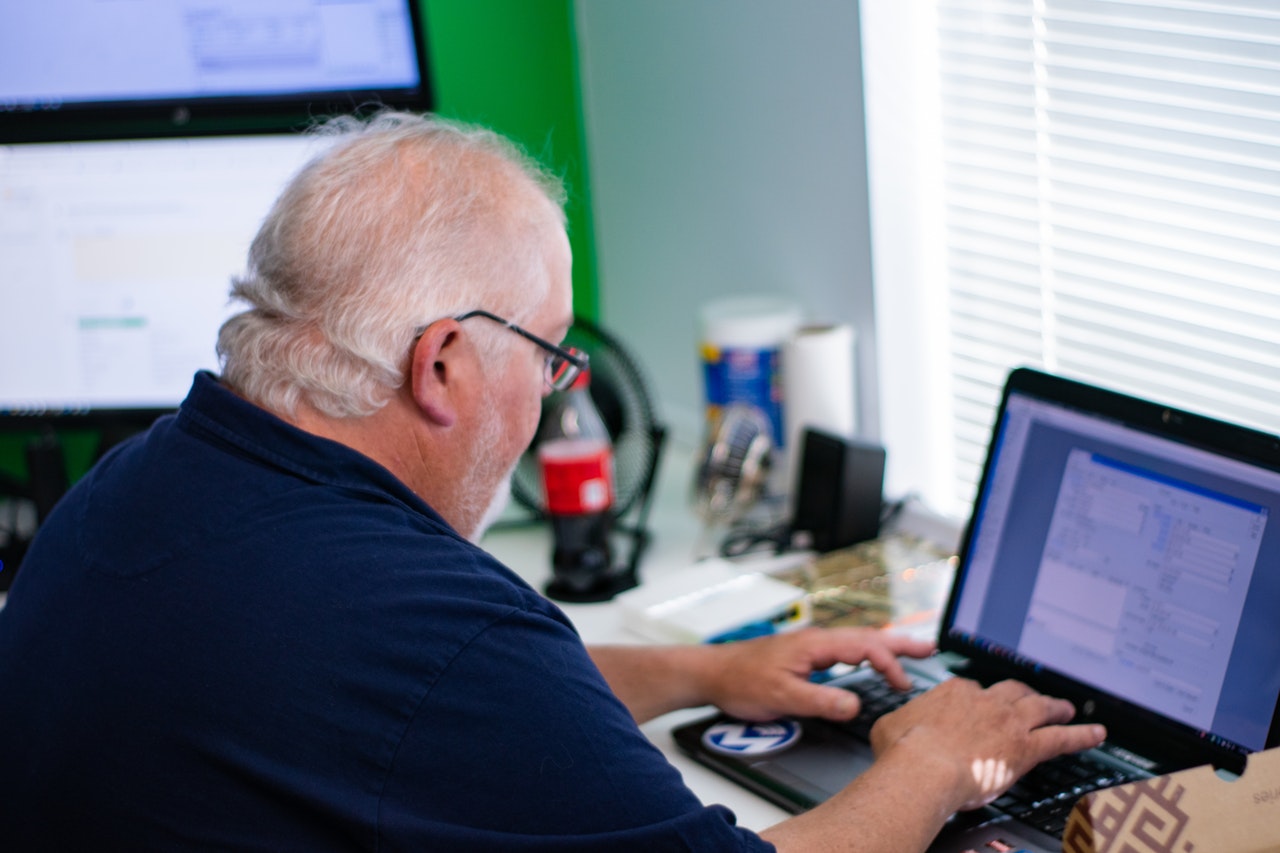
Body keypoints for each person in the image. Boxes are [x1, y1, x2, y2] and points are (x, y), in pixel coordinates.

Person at [0, 111, 1104, 852]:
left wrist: (703, 671)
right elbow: (449, 681)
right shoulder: (426, 626)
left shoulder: (132, 488)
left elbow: (430, 711)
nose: (551, 395)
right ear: (441, 364)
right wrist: (936, 761)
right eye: (547, 355)